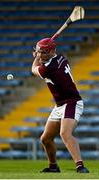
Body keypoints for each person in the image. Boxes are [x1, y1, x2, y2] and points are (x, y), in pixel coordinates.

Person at [32, 37, 89, 173]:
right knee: (45, 139)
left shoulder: (47, 69)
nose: (40, 55)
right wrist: (42, 50)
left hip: (72, 102)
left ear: (52, 52)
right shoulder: (61, 57)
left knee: (65, 133)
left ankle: (80, 166)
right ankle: (53, 167)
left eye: (44, 52)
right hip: (59, 106)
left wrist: (35, 57)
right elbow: (45, 57)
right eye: (39, 52)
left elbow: (33, 69)